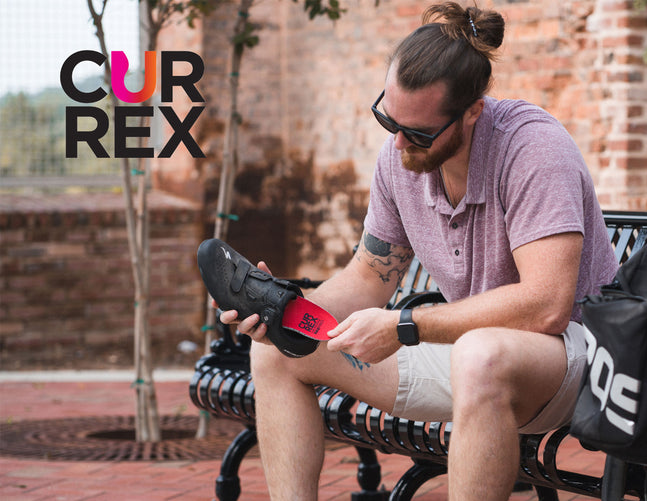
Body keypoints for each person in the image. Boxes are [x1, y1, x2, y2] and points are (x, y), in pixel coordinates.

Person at [219, 2, 618, 499]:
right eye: (390, 121)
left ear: (473, 111)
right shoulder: (401, 159)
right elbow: (368, 277)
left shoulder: (532, 149)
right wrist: (287, 311)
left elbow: (547, 305)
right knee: (278, 354)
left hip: (577, 361)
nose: (401, 143)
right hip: (470, 352)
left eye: (420, 133)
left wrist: (407, 326)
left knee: (480, 353)